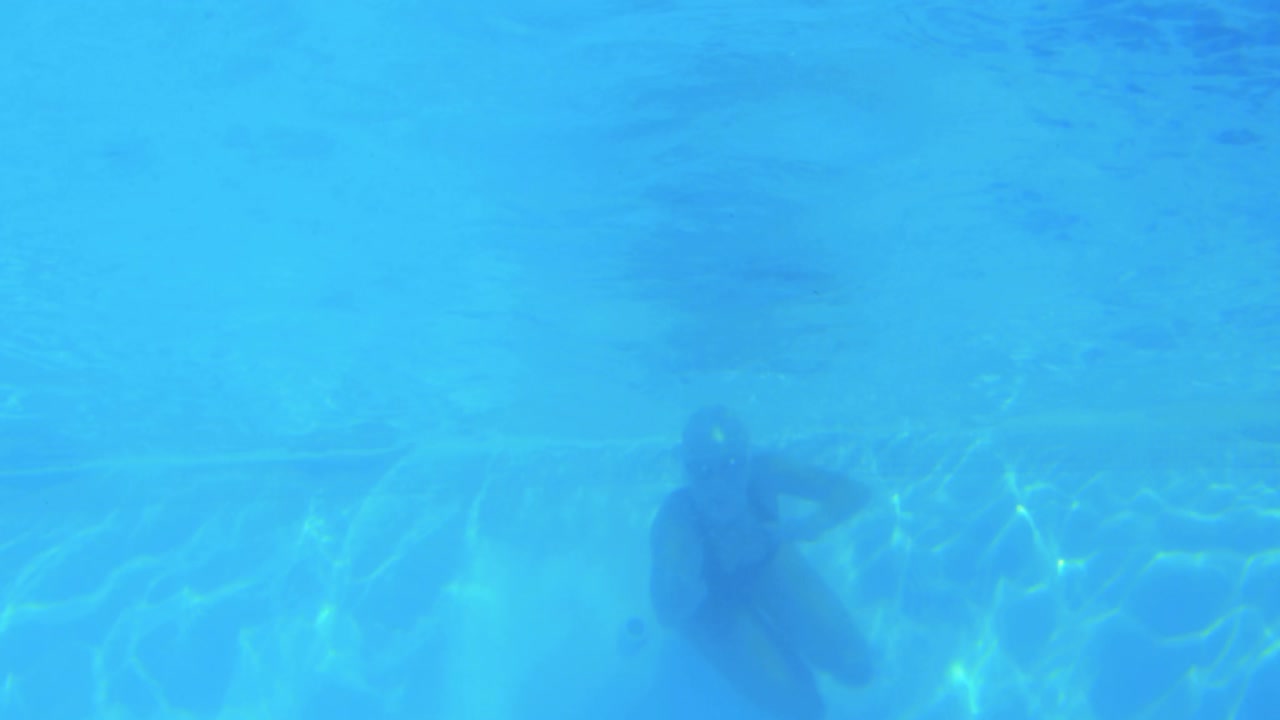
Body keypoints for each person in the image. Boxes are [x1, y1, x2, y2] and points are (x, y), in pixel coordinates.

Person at [649, 406, 873, 719]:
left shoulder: (765, 473)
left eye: (730, 465)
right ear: (687, 471)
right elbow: (665, 610)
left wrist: (811, 525)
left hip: (767, 565)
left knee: (856, 663)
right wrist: (685, 594)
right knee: (801, 708)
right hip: (712, 603)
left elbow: (853, 492)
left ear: (748, 460)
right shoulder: (678, 518)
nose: (717, 484)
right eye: (702, 470)